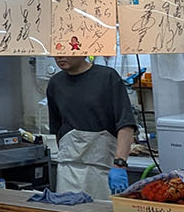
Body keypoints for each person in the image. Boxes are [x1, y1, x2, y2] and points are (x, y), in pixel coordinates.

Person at [46, 56, 137, 200]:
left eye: (66, 50)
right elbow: (57, 129)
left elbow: (125, 124)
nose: (60, 56)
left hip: (103, 169)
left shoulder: (107, 77)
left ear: (83, 49)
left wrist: (120, 163)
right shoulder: (55, 83)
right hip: (68, 170)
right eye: (56, 51)